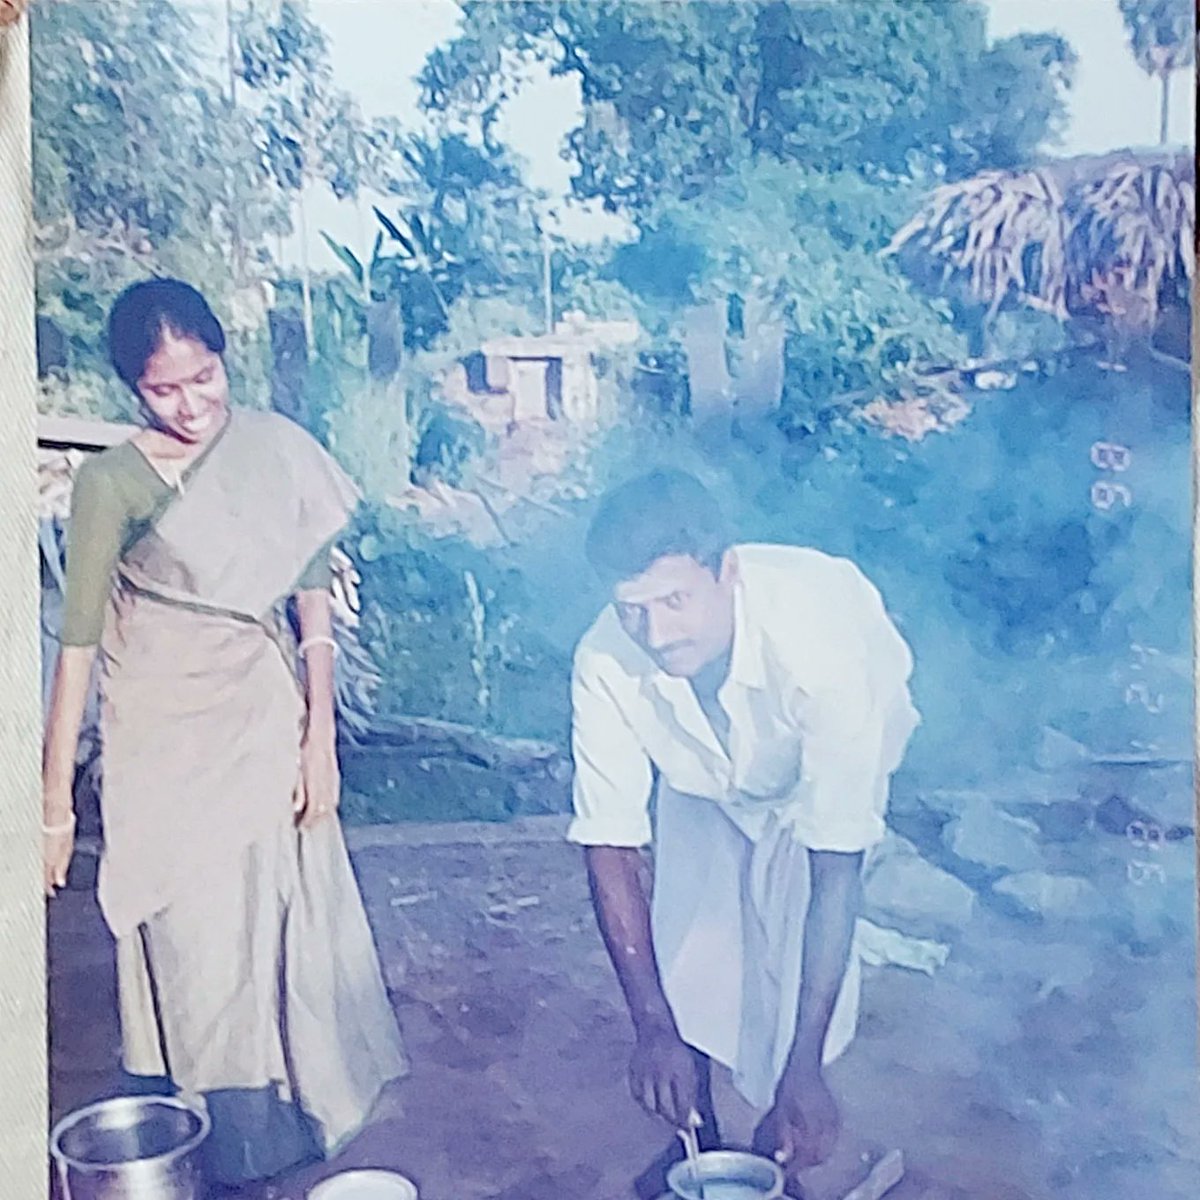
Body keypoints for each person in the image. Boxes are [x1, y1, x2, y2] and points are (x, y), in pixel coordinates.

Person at [42, 279, 408, 1187]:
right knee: (192, 943)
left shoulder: (273, 451)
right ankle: (199, 1139)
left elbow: (310, 595)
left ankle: (275, 1136)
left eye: (205, 378)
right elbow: (78, 647)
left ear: (222, 359)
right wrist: (54, 801)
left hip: (261, 722)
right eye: (166, 390)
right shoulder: (110, 482)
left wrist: (319, 732)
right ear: (134, 388)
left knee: (270, 931)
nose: (193, 404)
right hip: (162, 740)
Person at [568, 469, 919, 1195]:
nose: (657, 634)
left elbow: (836, 868)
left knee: (789, 933)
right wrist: (652, 1028)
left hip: (821, 764)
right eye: (632, 608)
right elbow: (610, 844)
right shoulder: (605, 658)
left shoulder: (821, 649)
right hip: (703, 771)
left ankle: (784, 1130)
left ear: (727, 572)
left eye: (675, 600)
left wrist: (805, 1070)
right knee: (692, 928)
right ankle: (696, 1144)